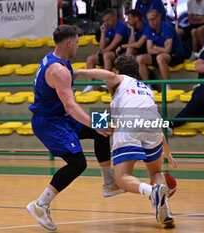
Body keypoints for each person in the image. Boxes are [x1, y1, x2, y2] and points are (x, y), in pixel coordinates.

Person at [26, 25, 124, 231]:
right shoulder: (58, 70)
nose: (78, 46)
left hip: (60, 116)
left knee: (102, 126)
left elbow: (77, 75)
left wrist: (108, 76)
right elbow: (70, 106)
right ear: (69, 42)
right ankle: (40, 204)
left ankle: (109, 184)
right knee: (78, 163)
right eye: (78, 42)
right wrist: (93, 125)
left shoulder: (57, 60)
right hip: (50, 122)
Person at [75, 54, 177, 228]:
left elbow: (110, 77)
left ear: (118, 71)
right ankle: (164, 209)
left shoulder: (119, 79)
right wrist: (166, 150)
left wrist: (80, 71)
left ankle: (152, 192)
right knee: (155, 173)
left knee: (122, 179)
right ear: (137, 74)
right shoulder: (146, 89)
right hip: (153, 124)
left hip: (131, 122)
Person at [136, 9, 185, 91]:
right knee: (140, 58)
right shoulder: (149, 28)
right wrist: (160, 49)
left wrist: (155, 47)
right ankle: (147, 86)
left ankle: (167, 87)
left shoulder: (167, 27)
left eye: (153, 19)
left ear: (158, 17)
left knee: (160, 57)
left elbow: (168, 50)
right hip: (162, 54)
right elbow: (149, 50)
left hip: (176, 54)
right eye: (149, 20)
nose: (151, 22)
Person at [83, 9, 129, 93]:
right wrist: (103, 33)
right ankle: (89, 85)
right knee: (90, 59)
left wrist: (101, 52)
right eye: (104, 20)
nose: (106, 22)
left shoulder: (121, 27)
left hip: (121, 54)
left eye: (107, 20)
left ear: (114, 18)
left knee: (106, 55)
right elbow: (102, 47)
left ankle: (105, 82)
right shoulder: (108, 29)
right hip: (109, 53)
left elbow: (113, 45)